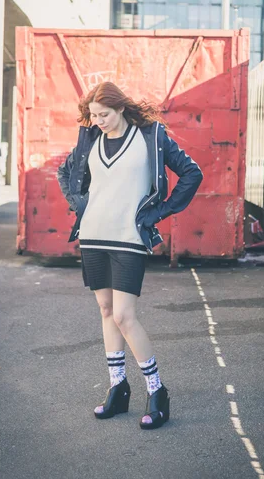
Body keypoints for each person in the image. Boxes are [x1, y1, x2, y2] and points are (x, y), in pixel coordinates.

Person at [57, 82, 203, 430]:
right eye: (93, 116)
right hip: (93, 236)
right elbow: (66, 173)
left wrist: (159, 213)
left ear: (120, 108)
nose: (98, 121)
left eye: (104, 114)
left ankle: (157, 391)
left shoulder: (151, 136)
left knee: (124, 315)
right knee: (106, 311)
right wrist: (80, 204)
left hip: (128, 239)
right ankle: (118, 389)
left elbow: (191, 173)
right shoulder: (90, 138)